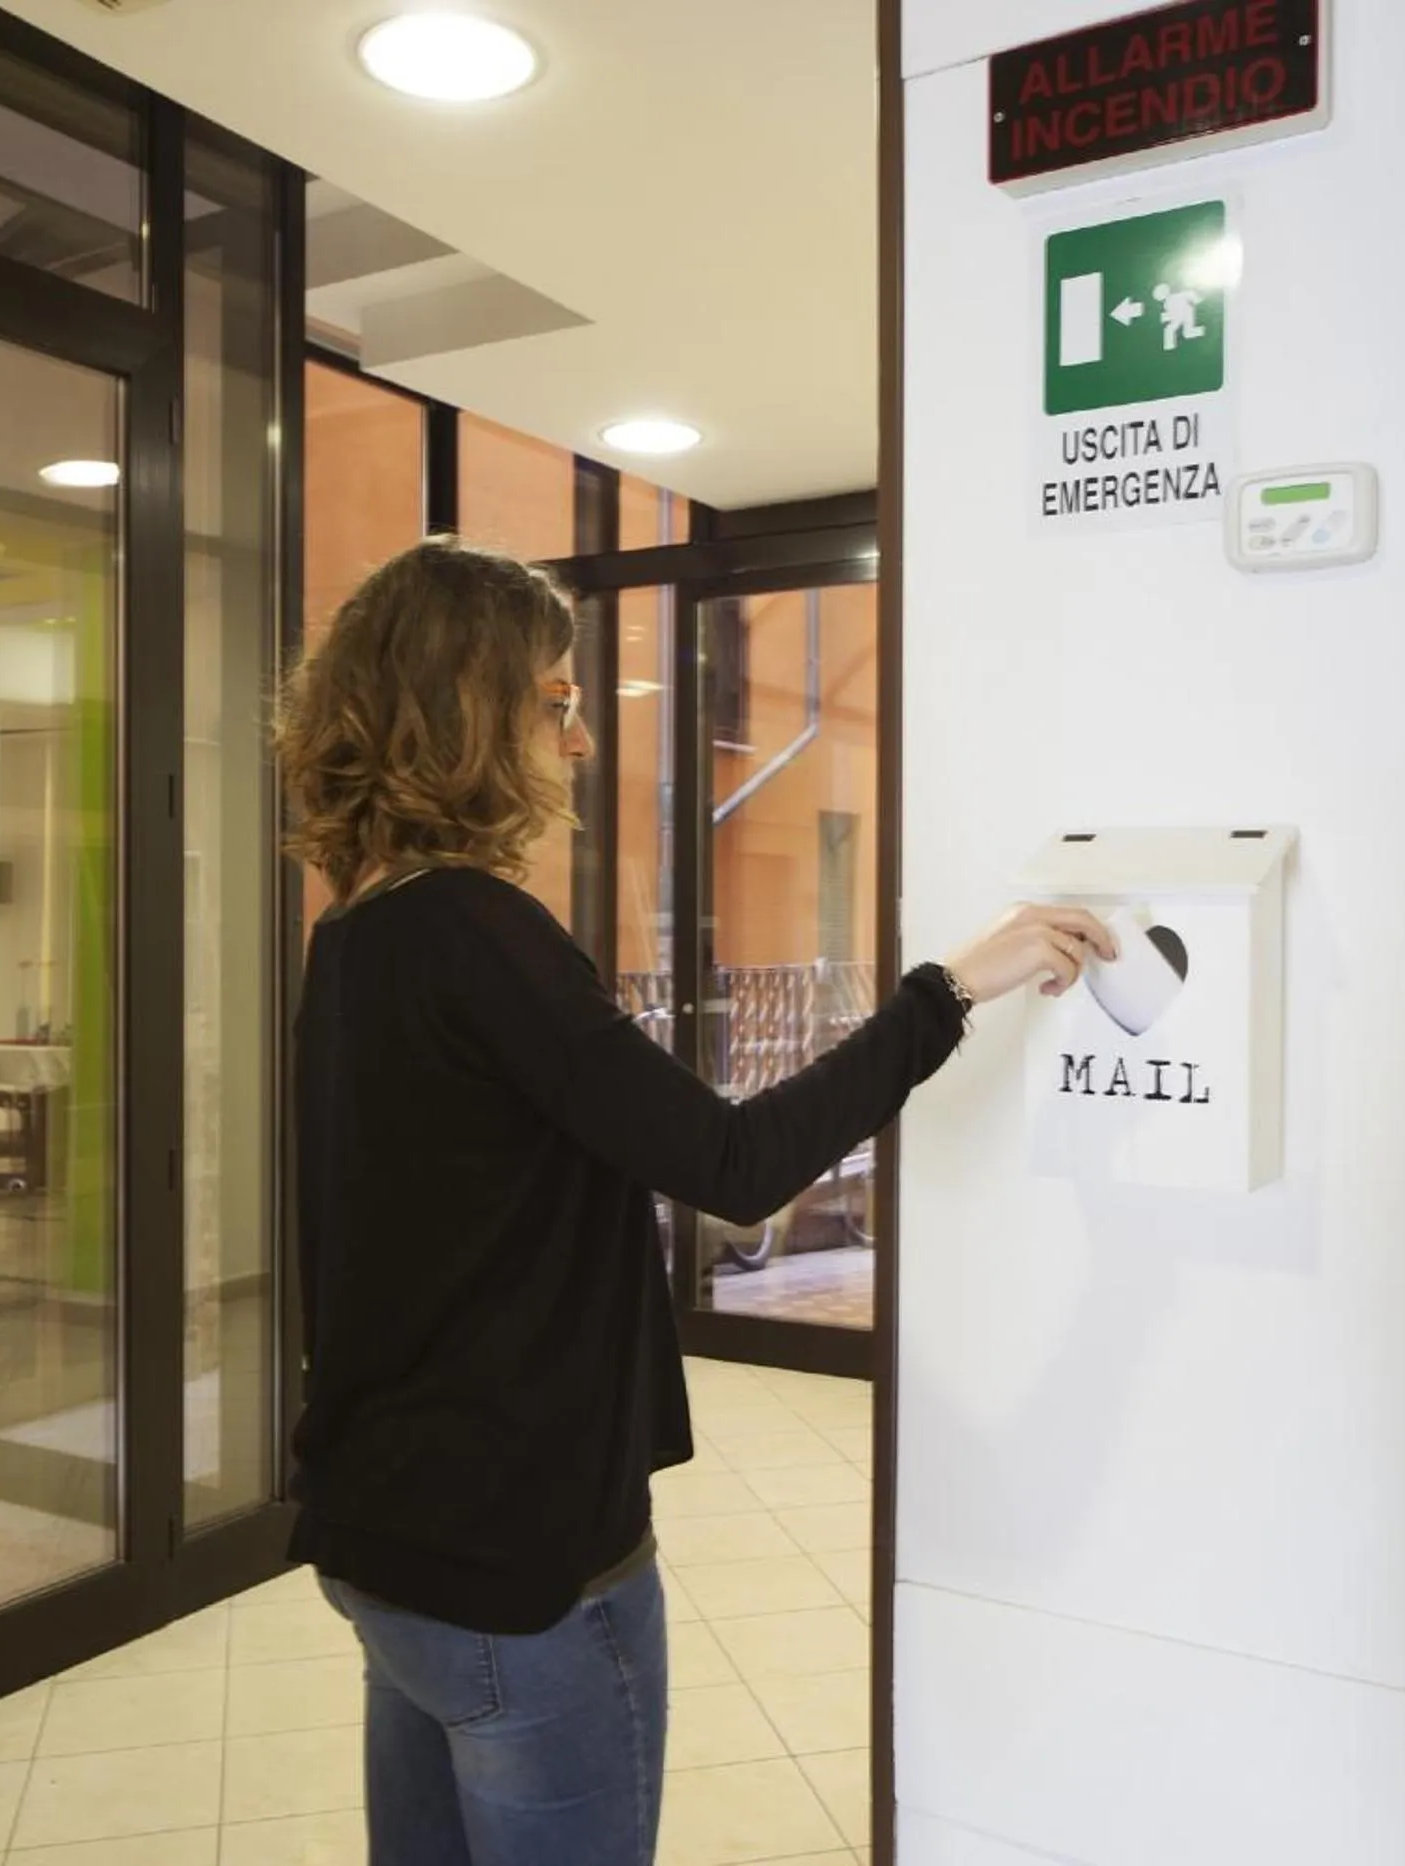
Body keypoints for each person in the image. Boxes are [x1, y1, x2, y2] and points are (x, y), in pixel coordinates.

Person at [272, 537, 1114, 1866]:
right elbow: (731, 1162)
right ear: (466, 714)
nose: (581, 741)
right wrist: (944, 991)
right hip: (520, 1567)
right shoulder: (479, 933)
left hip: (387, 1543)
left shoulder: (358, 930)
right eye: (554, 704)